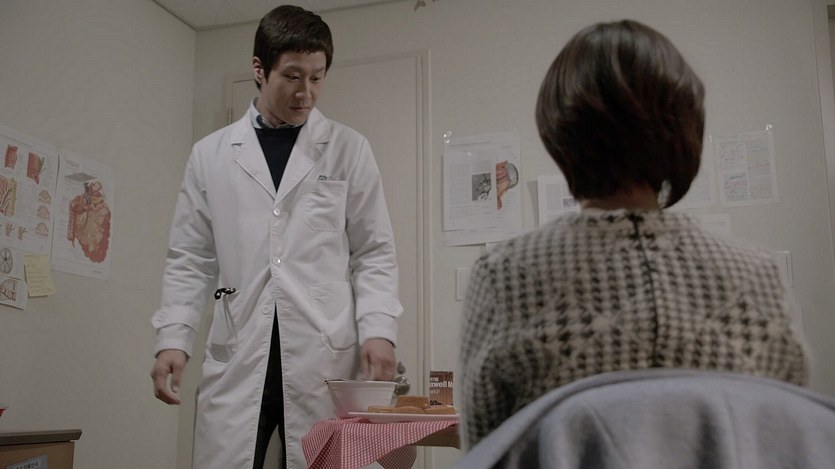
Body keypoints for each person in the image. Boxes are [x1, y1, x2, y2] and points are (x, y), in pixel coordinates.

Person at [457, 19, 809, 448]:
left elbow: (486, 448)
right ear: (685, 129)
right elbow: (788, 439)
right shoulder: (757, 275)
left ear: (559, 131)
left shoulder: (504, 275)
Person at [149, 5, 403, 469]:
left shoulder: (349, 150)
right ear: (259, 69)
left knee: (322, 458)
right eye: (292, 76)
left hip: (323, 354)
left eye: (317, 78)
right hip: (240, 349)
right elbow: (190, 256)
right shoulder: (211, 155)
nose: (306, 93)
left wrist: (379, 330)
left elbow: (374, 252)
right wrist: (174, 337)